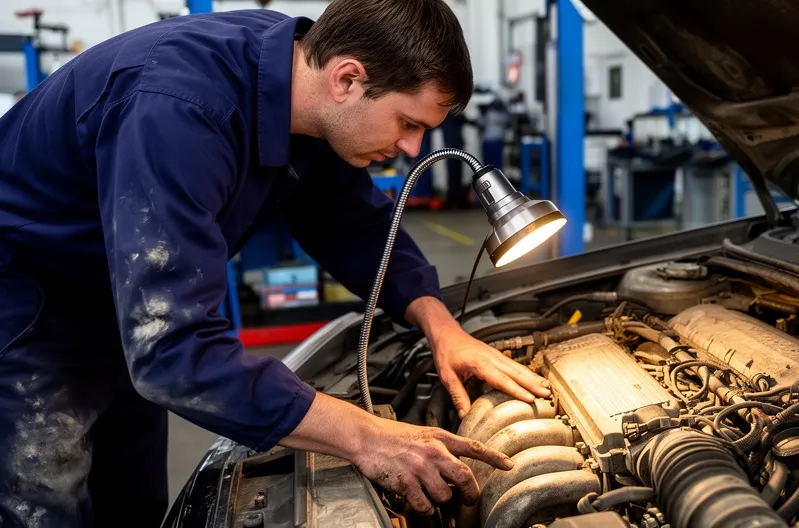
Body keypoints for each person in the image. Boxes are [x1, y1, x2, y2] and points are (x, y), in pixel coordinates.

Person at [0, 1, 551, 527]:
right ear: (348, 79)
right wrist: (365, 436)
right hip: (30, 311)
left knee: (133, 507)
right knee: (47, 510)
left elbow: (350, 220)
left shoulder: (299, 83)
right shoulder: (180, 110)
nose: (413, 148)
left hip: (123, 309)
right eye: (407, 123)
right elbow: (173, 350)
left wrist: (441, 327)